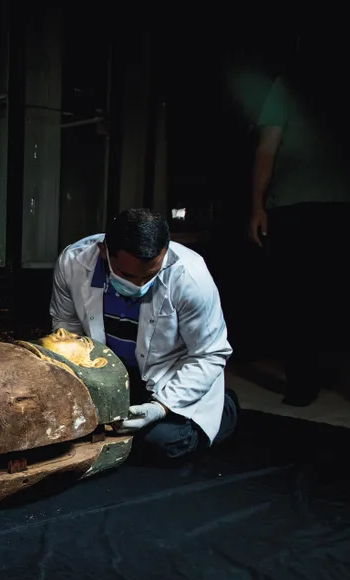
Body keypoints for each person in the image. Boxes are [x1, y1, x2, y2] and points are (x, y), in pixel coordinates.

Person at [50, 209, 238, 461]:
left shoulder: (191, 277)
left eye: (150, 275)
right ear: (105, 251)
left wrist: (160, 407)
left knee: (161, 444)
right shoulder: (73, 263)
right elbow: (66, 327)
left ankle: (227, 409)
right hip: (111, 374)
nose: (139, 286)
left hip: (170, 378)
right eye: (128, 276)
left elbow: (210, 354)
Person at [248, 45, 349, 406]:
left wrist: (258, 206)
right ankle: (308, 377)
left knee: (308, 296)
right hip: (298, 203)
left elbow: (267, 148)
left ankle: (311, 377)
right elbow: (267, 148)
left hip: (314, 204)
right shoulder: (289, 84)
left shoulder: (290, 83)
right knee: (304, 295)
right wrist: (258, 206)